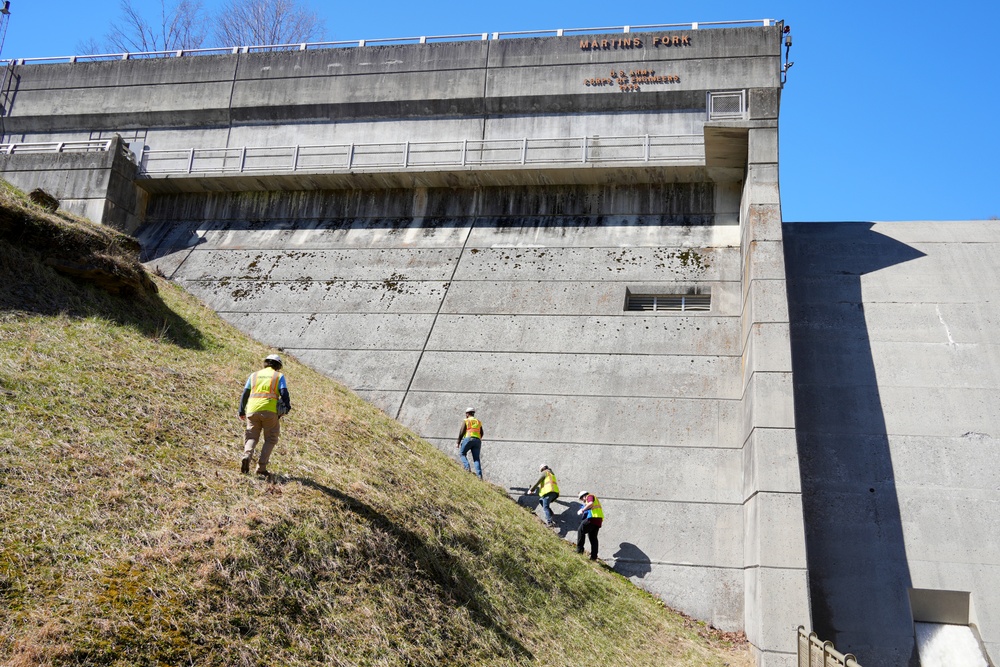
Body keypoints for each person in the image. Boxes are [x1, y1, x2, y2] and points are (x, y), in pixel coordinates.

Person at [238, 354, 291, 476]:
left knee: (251, 436)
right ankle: (261, 468)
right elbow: (284, 393)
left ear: (266, 363)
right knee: (271, 438)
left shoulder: (254, 375)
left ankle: (247, 455)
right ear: (278, 366)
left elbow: (245, 393)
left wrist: (241, 410)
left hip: (252, 410)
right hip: (269, 411)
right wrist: (287, 407)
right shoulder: (279, 376)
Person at [455, 407, 484, 479]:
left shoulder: (466, 421)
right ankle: (479, 476)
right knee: (476, 459)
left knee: (462, 453)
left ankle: (467, 468)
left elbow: (461, 432)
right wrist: (477, 439)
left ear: (467, 414)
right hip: (477, 441)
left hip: (468, 439)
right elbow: (482, 433)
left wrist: (458, 442)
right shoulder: (478, 421)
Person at [576, 490, 604, 561]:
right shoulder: (593, 499)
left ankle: (579, 550)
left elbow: (590, 503)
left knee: (580, 530)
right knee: (593, 538)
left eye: (582, 499)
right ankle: (593, 557)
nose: (582, 501)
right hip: (598, 520)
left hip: (592, 518)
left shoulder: (589, 496)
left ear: (584, 496)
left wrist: (582, 510)